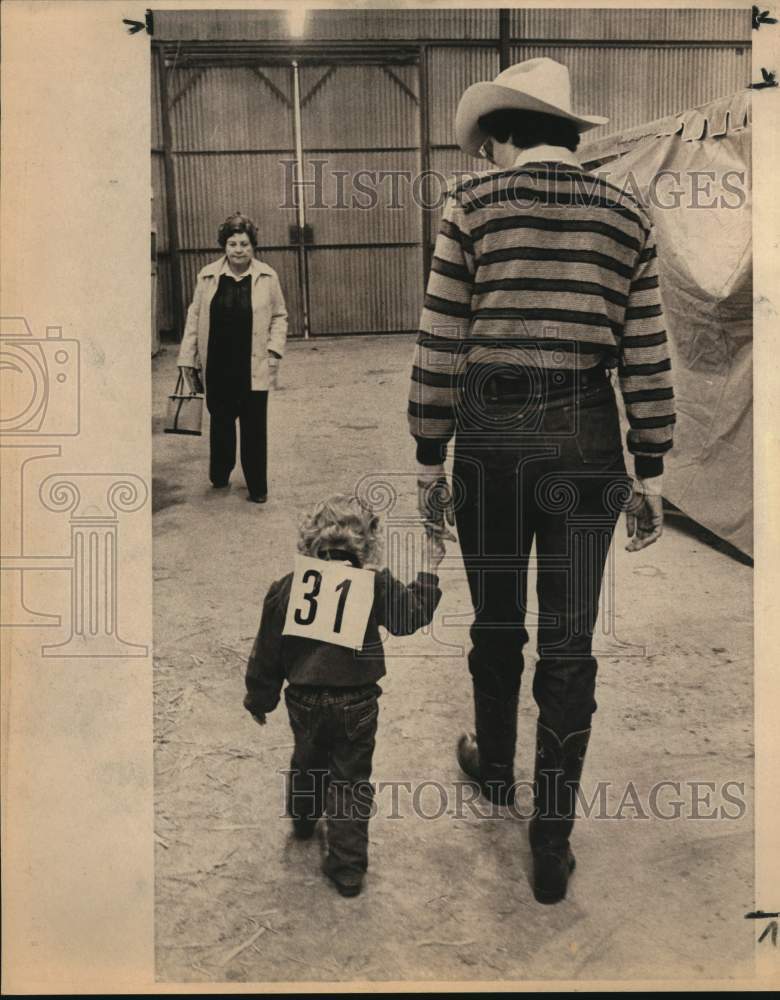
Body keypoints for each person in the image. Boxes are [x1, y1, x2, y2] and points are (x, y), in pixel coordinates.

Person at [408, 58, 675, 903]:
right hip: (587, 439)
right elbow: (647, 351)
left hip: (491, 437)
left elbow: (442, 337)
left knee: (496, 618)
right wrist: (652, 467)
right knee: (570, 638)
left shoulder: (473, 207)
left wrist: (426, 455)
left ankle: (494, 767)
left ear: (505, 136)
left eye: (487, 143)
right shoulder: (628, 214)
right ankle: (551, 843)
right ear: (569, 134)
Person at [243, 494, 444, 898]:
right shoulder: (374, 584)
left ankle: (303, 816)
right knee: (350, 782)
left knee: (307, 758)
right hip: (357, 703)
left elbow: (268, 650)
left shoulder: (287, 588)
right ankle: (348, 867)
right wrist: (429, 573)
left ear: (309, 543)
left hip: (303, 700)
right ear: (367, 545)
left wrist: (260, 698)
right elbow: (409, 618)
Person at [177, 212, 288, 503]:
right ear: (223, 246)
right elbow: (195, 316)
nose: (238, 249)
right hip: (218, 365)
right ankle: (220, 474)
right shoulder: (208, 276)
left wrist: (274, 349)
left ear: (253, 246)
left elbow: (280, 316)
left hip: (252, 365)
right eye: (232, 244)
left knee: (254, 428)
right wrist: (188, 358)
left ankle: (257, 486)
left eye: (244, 243)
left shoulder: (267, 276)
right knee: (221, 423)